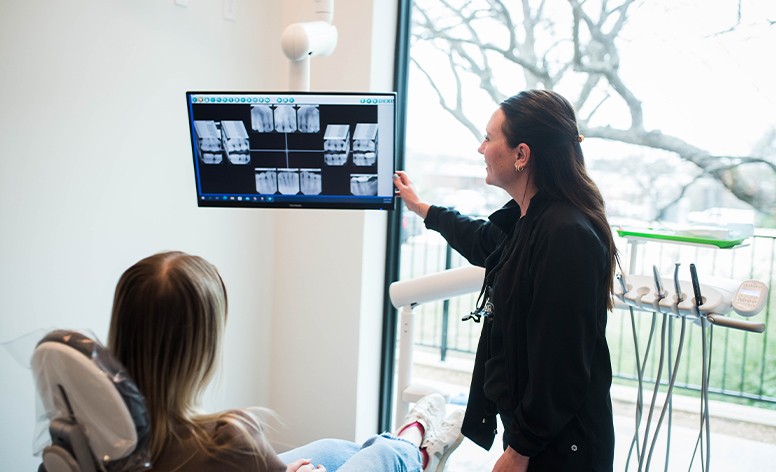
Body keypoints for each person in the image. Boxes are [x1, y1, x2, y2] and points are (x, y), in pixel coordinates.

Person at [393, 89, 618, 472]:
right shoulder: (529, 218)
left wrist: (520, 450)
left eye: (488, 137)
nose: (481, 148)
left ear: (521, 155)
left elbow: (561, 365)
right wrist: (420, 207)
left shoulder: (565, 234)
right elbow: (483, 240)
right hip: (541, 437)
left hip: (565, 447)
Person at [107, 251, 464, 472]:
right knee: (384, 454)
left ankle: (412, 441)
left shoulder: (95, 434)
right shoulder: (226, 441)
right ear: (201, 348)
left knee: (336, 448)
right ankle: (416, 449)